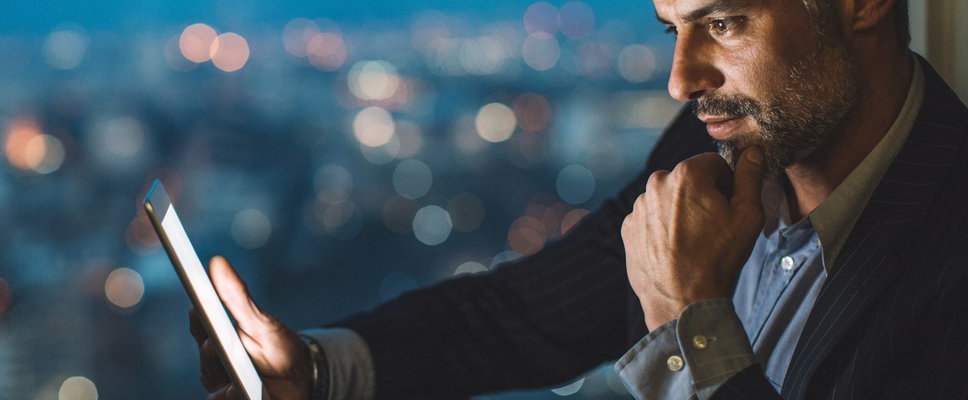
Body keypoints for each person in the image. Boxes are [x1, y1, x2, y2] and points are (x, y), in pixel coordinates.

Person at [191, 0, 968, 398]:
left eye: (723, 23)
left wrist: (690, 323)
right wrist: (320, 369)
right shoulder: (716, 146)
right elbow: (529, 312)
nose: (680, 81)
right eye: (671, 28)